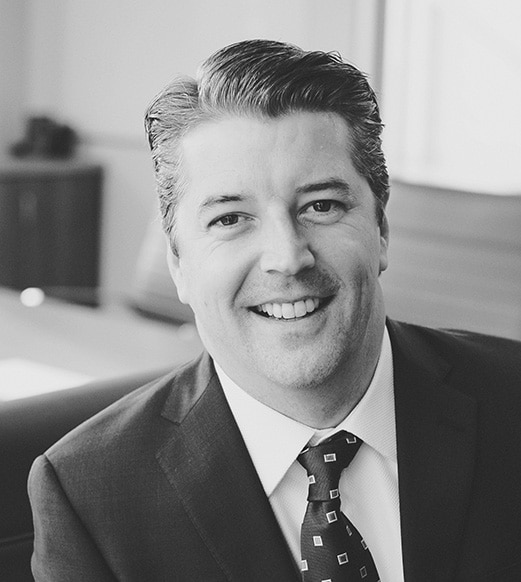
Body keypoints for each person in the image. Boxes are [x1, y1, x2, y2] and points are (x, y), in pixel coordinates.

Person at [28, 39, 521, 582]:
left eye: (321, 206)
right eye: (231, 218)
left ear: (380, 231)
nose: (287, 258)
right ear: (178, 262)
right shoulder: (87, 494)